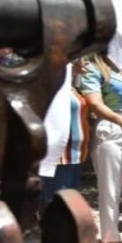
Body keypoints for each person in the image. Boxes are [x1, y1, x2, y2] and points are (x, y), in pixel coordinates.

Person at [78, 53, 122, 243]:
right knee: (110, 187)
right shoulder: (93, 68)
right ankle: (111, 238)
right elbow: (95, 103)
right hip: (110, 126)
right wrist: (120, 120)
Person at [39, 59, 91, 211]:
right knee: (57, 205)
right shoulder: (51, 87)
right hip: (59, 155)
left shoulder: (73, 87)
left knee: (69, 204)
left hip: (77, 154)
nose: (83, 63)